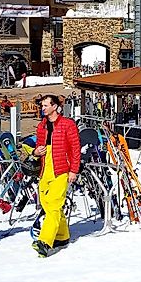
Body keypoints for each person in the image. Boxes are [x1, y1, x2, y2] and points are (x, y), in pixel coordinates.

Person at [31, 95, 80, 257]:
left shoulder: (68, 124)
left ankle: (45, 241)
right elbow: (38, 148)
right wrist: (36, 152)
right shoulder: (41, 126)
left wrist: (74, 170)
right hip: (45, 169)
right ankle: (62, 235)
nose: (43, 108)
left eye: (46, 105)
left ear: (55, 107)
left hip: (61, 170)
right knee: (46, 204)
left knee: (53, 205)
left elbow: (75, 148)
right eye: (42, 105)